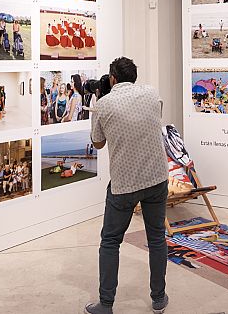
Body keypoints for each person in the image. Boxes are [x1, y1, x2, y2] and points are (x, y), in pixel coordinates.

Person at [85, 57, 169, 314]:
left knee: (110, 241)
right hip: (157, 177)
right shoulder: (152, 93)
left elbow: (97, 143)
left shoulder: (103, 104)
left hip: (124, 184)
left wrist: (98, 101)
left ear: (112, 78)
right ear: (133, 76)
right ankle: (158, 299)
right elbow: (152, 119)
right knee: (156, 238)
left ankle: (106, 304)